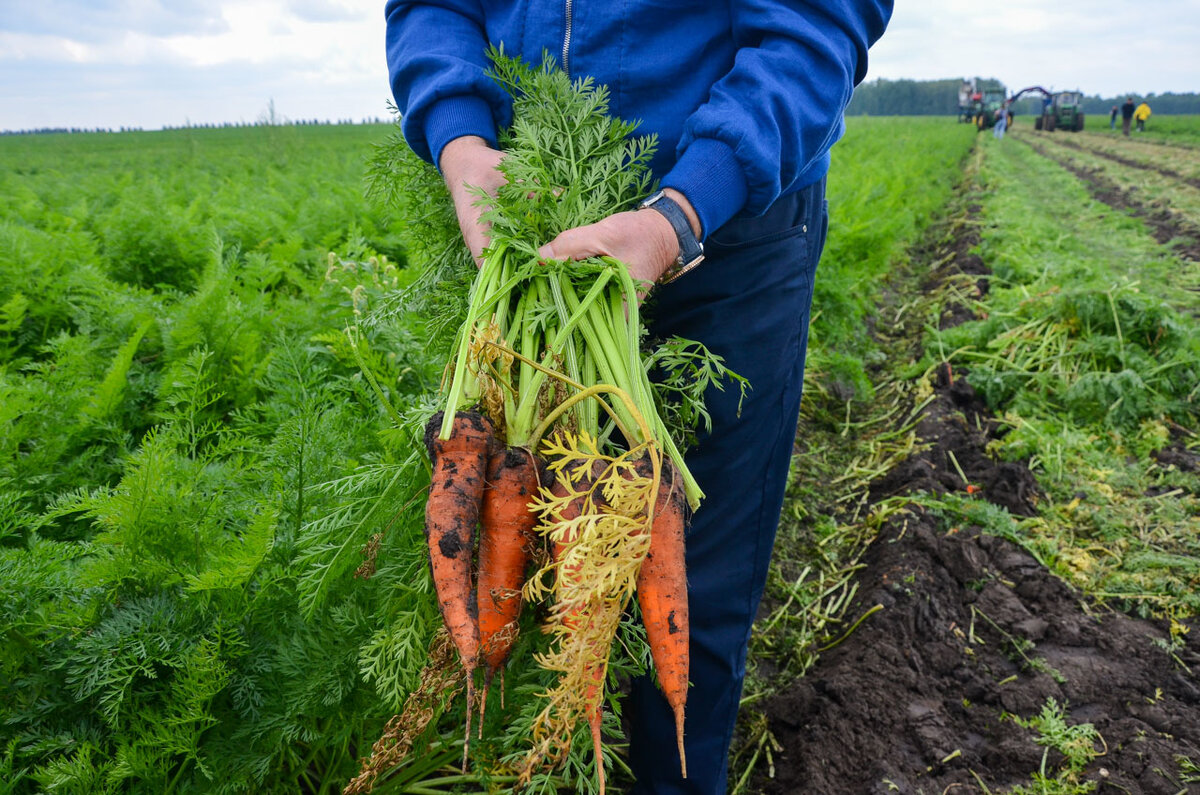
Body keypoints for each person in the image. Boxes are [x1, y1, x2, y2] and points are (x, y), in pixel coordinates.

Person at [384, 2, 892, 793]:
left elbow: (814, 23)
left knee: (695, 590)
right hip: (528, 224)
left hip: (727, 218)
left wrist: (678, 216)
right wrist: (461, 142)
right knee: (532, 576)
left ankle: (674, 767)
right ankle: (548, 751)